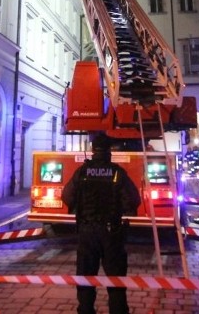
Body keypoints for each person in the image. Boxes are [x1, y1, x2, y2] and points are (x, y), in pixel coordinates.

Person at [62, 133, 141, 314]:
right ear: (109, 151)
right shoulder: (116, 172)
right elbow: (133, 200)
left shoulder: (82, 172)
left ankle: (86, 310)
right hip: (111, 232)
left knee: (85, 275)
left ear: (92, 150)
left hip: (87, 231)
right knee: (116, 279)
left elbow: (67, 196)